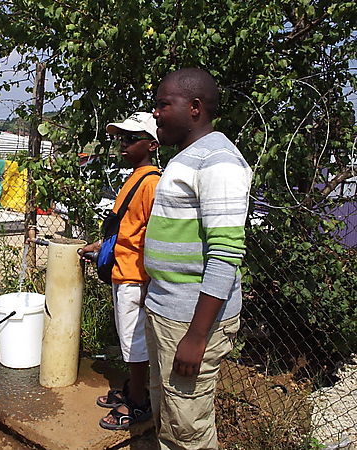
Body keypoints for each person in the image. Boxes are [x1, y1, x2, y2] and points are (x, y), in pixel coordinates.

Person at [144, 68, 252, 449]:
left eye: (163, 104)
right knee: (170, 414)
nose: (155, 113)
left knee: (186, 429)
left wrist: (197, 335)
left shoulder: (219, 161)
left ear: (194, 108)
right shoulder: (188, 158)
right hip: (167, 309)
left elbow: (225, 254)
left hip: (190, 320)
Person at [79, 112, 161, 430]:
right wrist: (101, 248)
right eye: (121, 139)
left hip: (135, 277)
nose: (123, 145)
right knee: (130, 340)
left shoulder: (151, 183)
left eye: (131, 139)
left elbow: (155, 236)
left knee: (135, 342)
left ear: (152, 145)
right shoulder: (135, 178)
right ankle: (134, 388)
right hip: (123, 270)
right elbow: (127, 230)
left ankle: (139, 402)